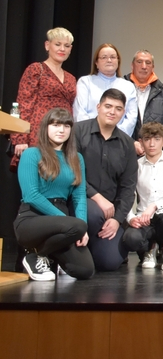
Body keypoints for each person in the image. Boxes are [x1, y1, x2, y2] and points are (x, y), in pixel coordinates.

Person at [15, 108, 93, 281]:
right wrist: (70, 222)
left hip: (63, 221)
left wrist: (82, 226)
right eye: (56, 125)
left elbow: (79, 196)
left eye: (66, 125)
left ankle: (49, 256)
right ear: (46, 127)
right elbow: (31, 196)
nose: (61, 130)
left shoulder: (76, 158)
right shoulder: (32, 154)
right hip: (32, 218)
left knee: (85, 270)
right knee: (78, 226)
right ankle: (35, 256)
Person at [73, 88, 138, 271]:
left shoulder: (127, 144)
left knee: (109, 263)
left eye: (118, 108)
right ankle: (74, 247)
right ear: (98, 107)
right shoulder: (78, 131)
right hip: (81, 202)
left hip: (110, 213)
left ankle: (89, 250)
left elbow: (128, 187)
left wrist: (117, 219)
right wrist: (97, 197)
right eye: (108, 106)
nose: (112, 112)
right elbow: (72, 172)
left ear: (123, 113)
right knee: (93, 213)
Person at [122, 122, 163, 271]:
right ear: (141, 142)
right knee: (131, 238)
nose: (152, 143)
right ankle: (149, 249)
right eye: (147, 139)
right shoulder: (135, 166)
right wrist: (131, 217)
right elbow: (126, 195)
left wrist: (155, 205)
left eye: (157, 139)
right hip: (144, 219)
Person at [10, 27, 78, 168]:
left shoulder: (71, 78)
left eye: (66, 46)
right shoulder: (36, 69)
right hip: (38, 132)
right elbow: (23, 104)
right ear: (47, 45)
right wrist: (20, 138)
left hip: (62, 134)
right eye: (57, 44)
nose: (62, 49)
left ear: (70, 49)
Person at [73, 43, 138, 136]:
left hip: (118, 139)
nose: (109, 60)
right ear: (96, 62)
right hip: (88, 136)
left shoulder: (128, 86)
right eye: (104, 57)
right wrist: (92, 134)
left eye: (113, 57)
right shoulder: (85, 82)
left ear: (118, 61)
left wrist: (114, 135)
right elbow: (80, 112)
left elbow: (131, 117)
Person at [126, 50, 163, 151]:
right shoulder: (121, 86)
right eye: (139, 62)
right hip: (125, 148)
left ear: (153, 67)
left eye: (148, 63)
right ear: (132, 65)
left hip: (155, 150)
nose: (144, 66)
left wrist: (153, 143)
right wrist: (131, 142)